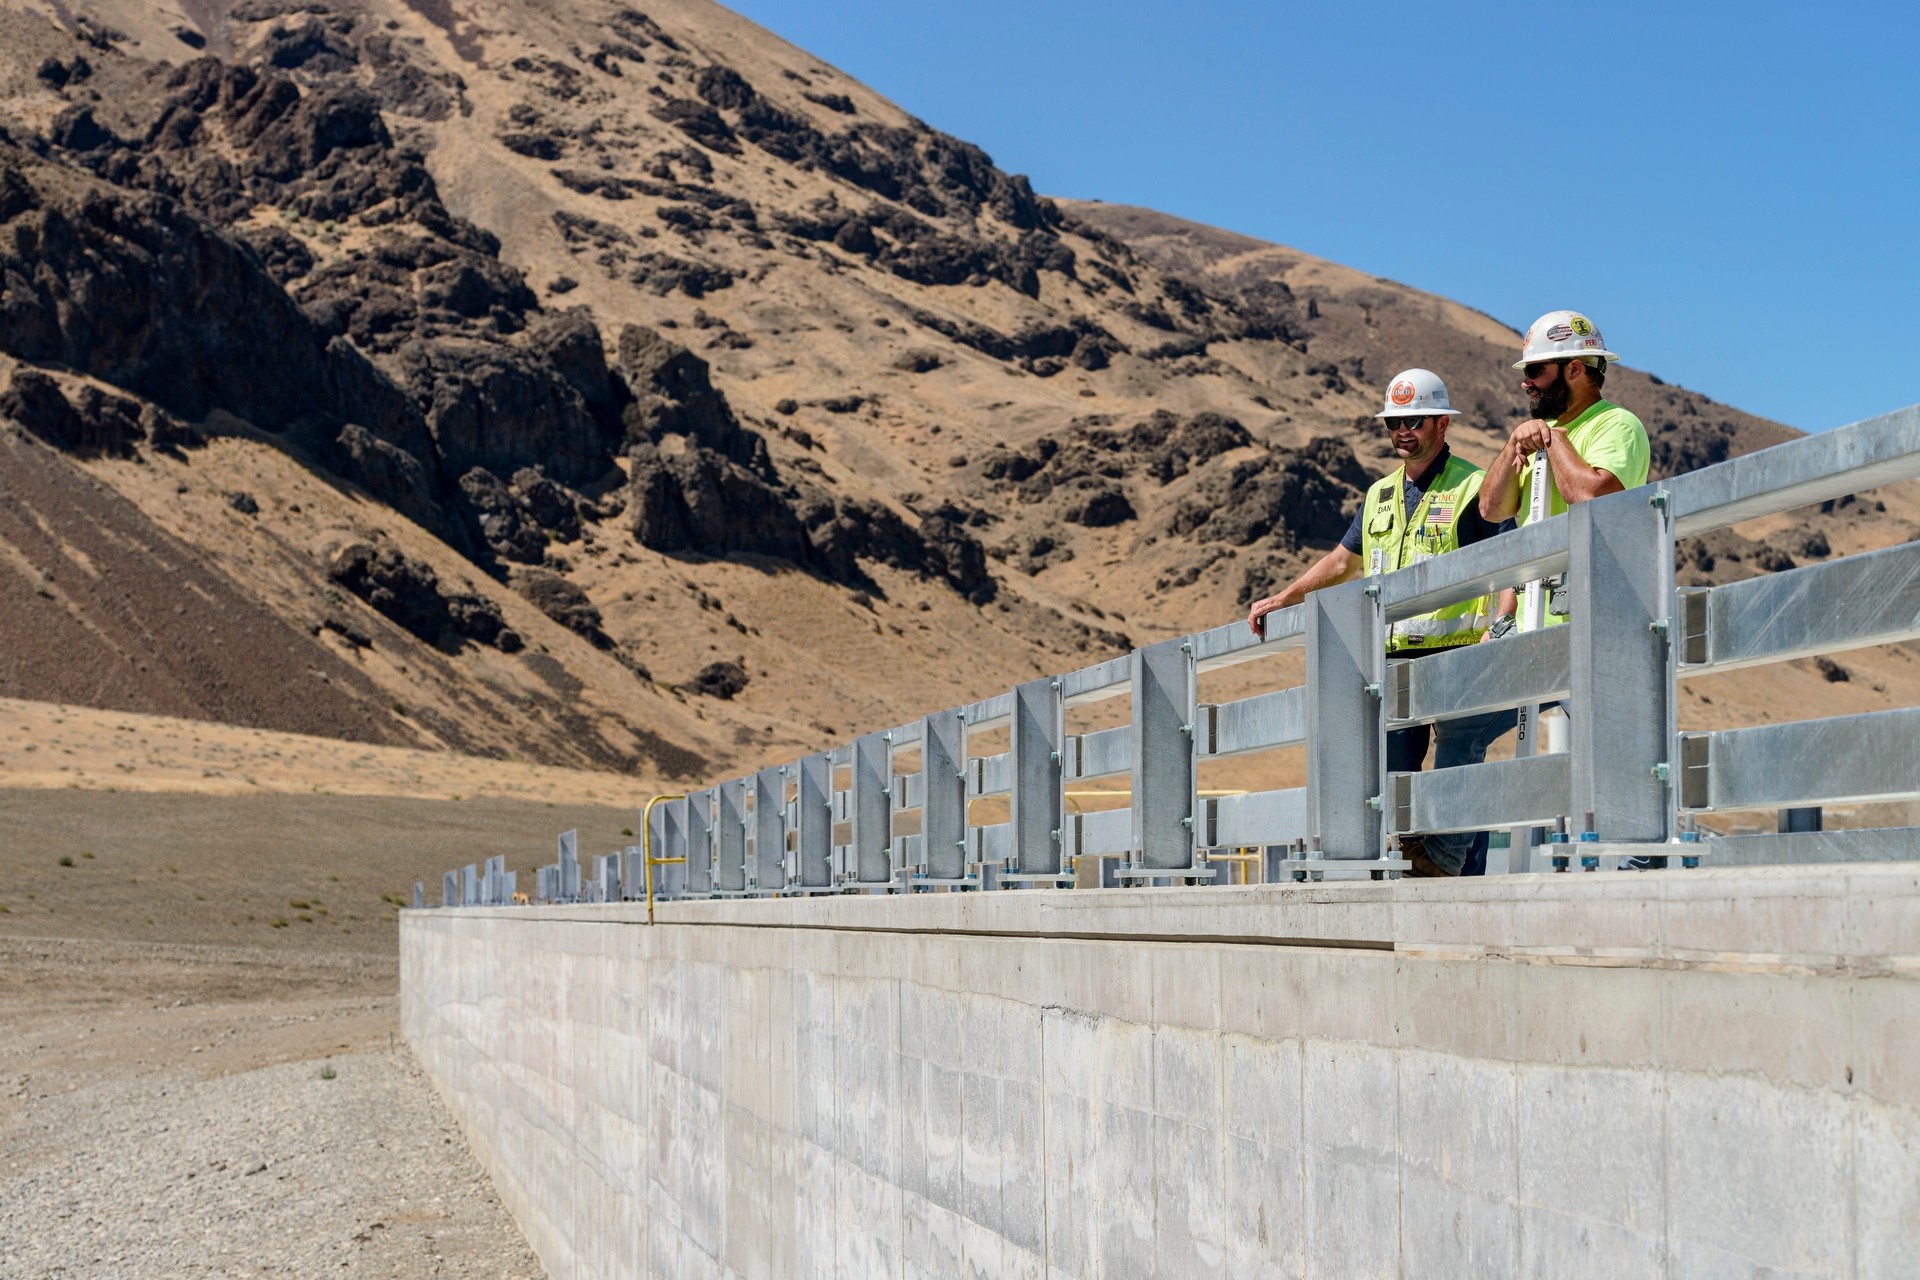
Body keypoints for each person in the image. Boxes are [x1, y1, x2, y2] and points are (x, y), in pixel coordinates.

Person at [1247, 369, 1517, 877]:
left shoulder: (1474, 486)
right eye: (1393, 423)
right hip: (1390, 657)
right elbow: (1343, 562)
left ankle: (1454, 873)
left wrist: (1501, 620)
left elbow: (1508, 553)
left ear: (1441, 422)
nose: (1401, 432)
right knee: (1394, 781)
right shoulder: (1379, 495)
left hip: (1456, 649)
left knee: (1455, 765)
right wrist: (1284, 598)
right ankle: (1423, 872)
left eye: (1412, 421)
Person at [1478, 310, 1651, 535]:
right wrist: (1512, 446)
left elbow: (1593, 500)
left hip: (1591, 569)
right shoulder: (1538, 434)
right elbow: (1490, 510)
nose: (1525, 383)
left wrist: (1554, 442)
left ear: (1574, 369)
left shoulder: (1618, 424)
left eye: (1534, 370)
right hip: (1543, 569)